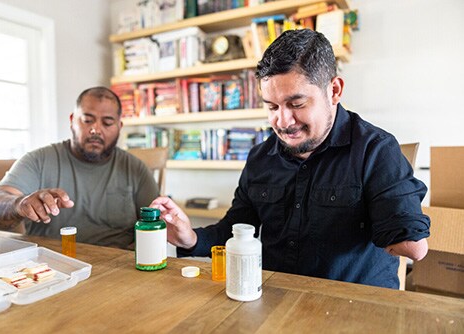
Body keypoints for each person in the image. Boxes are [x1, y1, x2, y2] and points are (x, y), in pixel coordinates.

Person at [151, 29, 430, 289]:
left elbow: (414, 247)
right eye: (272, 107)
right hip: (274, 301)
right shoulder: (260, 157)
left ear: (334, 91)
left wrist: (401, 227)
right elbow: (234, 229)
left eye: (297, 104)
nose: (283, 121)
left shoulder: (376, 150)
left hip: (352, 308)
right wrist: (190, 237)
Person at [0, 87, 159, 249]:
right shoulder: (38, 160)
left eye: (107, 122)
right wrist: (20, 204)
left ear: (119, 127)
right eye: (87, 120)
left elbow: (158, 228)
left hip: (117, 269)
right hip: (50, 268)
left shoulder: (136, 169)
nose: (95, 129)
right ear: (72, 120)